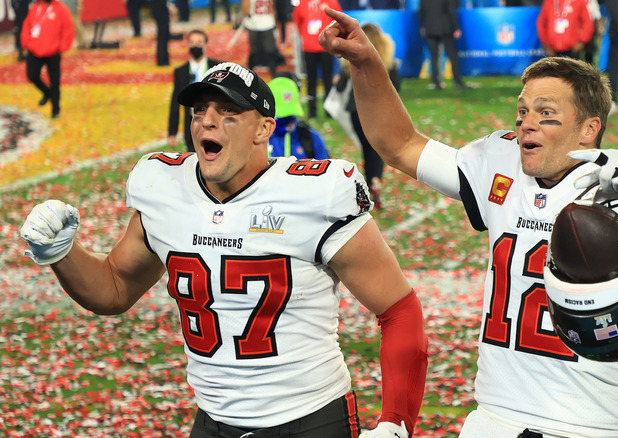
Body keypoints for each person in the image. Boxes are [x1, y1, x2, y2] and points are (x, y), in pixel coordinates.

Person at [319, 10, 618, 436]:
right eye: (523, 109)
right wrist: (365, 62)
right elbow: (398, 144)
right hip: (493, 418)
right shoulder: (500, 164)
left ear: (589, 128)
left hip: (590, 425)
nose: (527, 121)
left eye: (546, 112)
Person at [20, 61, 427, 438]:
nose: (207, 121)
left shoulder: (314, 195)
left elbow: (398, 309)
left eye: (228, 112)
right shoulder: (165, 189)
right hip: (212, 421)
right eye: (200, 110)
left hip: (310, 419)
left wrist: (396, 423)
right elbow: (114, 289)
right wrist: (60, 253)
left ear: (263, 129)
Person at [336, 23, 400, 210]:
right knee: (377, 150)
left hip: (356, 110)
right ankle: (375, 182)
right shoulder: (387, 61)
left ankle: (369, 187)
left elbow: (340, 88)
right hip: (380, 110)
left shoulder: (351, 59)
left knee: (366, 148)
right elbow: (396, 87)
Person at [21, 0, 75, 120]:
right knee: (32, 75)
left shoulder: (61, 9)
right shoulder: (35, 8)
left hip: (53, 51)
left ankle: (55, 110)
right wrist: (26, 43)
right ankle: (46, 92)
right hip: (35, 49)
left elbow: (68, 28)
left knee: (55, 81)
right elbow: (27, 25)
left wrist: (62, 46)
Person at [168, 29, 221, 152]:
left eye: (199, 42)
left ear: (205, 45)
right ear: (187, 45)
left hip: (216, 124)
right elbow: (175, 102)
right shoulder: (180, 72)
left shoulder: (217, 68)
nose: (195, 46)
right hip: (191, 125)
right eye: (192, 42)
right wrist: (172, 132)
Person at [292, 0, 342, 119]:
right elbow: (297, 22)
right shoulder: (302, 3)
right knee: (311, 80)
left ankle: (329, 110)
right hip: (308, 48)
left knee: (327, 79)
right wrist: (306, 36)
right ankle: (312, 111)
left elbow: (339, 20)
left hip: (326, 48)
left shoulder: (331, 2)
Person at [268, 75, 330, 159]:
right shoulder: (256, 140)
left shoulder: (311, 138)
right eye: (282, 115)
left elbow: (326, 169)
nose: (287, 120)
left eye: (290, 114)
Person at [418, 0, 467, 90]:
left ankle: (436, 82)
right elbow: (451, 11)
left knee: (434, 56)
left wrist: (423, 26)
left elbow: (421, 12)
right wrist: (456, 27)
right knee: (452, 55)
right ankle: (458, 81)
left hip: (430, 28)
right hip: (446, 28)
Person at [242, 0, 283, 76]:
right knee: (254, 51)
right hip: (254, 24)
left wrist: (274, 21)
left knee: (270, 50)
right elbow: (246, 4)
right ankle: (249, 73)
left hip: (267, 23)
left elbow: (273, 6)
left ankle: (274, 73)